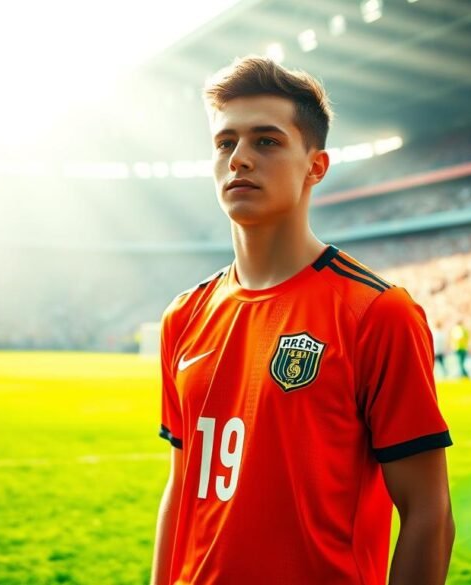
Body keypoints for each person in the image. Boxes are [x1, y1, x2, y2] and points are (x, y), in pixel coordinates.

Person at [151, 57, 454, 585]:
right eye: (226, 143)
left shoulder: (377, 313)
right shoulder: (184, 316)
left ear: (316, 166)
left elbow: (430, 514)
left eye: (266, 141)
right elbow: (182, 486)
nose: (240, 158)